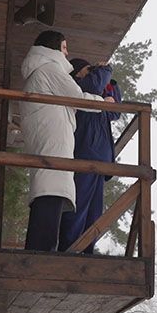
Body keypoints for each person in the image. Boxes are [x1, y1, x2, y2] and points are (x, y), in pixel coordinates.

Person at [19, 31, 114, 251]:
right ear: (52, 48)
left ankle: (39, 253)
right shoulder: (50, 69)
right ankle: (39, 255)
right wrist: (103, 103)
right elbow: (78, 98)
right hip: (53, 141)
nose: (67, 52)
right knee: (50, 194)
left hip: (49, 138)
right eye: (63, 47)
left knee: (48, 194)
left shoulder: (41, 71)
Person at [58, 59, 122, 254]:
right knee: (77, 209)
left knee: (94, 215)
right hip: (84, 157)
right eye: (90, 70)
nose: (94, 73)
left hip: (100, 161)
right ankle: (68, 251)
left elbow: (115, 112)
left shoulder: (97, 96)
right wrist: (105, 69)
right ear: (78, 72)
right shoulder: (78, 87)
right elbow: (93, 85)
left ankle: (86, 252)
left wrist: (111, 83)